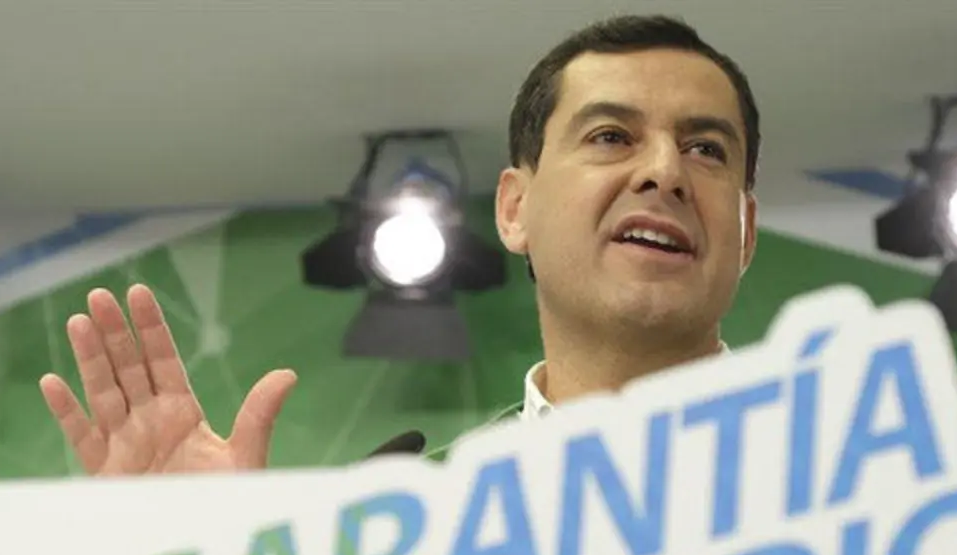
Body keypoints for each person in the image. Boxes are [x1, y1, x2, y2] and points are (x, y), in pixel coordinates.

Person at [39, 13, 760, 474]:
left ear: (746, 231)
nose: (665, 171)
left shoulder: (858, 482)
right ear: (514, 209)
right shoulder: (399, 523)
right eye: (611, 137)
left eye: (706, 149)